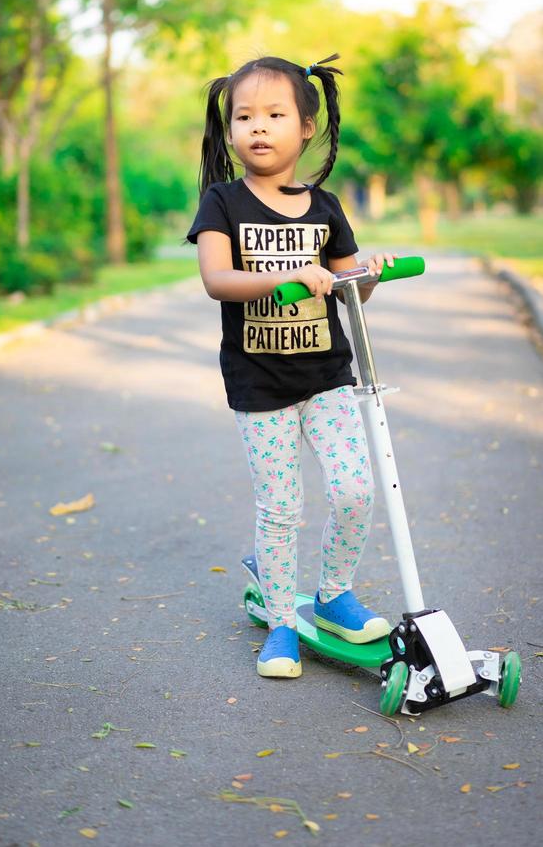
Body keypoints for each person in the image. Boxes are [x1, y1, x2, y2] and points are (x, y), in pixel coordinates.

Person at [187, 54, 395, 679]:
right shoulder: (222, 203)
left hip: (328, 376)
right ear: (228, 132)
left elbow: (349, 288)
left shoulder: (326, 206)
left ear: (305, 127)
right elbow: (217, 280)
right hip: (260, 387)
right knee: (280, 509)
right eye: (244, 116)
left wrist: (367, 273)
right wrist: (289, 275)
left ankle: (332, 593)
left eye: (275, 115)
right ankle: (281, 622)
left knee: (357, 488)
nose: (258, 127)